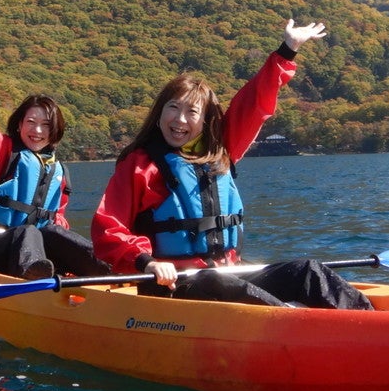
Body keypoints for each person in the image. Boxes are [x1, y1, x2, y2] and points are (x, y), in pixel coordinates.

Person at [91, 20, 373, 310]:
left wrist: (288, 50)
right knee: (217, 281)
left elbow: (253, 104)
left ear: (205, 121)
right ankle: (291, 320)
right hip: (173, 285)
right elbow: (107, 227)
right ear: (159, 112)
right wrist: (147, 262)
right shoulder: (139, 165)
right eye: (173, 107)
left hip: (229, 272)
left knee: (306, 271)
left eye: (192, 112)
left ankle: (368, 317)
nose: (180, 119)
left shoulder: (220, 151)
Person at [0, 56, 109, 280]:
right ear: (19, 124)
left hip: (31, 250)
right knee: (27, 232)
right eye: (31, 122)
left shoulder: (59, 172)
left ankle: (108, 268)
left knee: (53, 232)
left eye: (45, 125)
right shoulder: (0, 151)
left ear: (54, 131)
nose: (37, 131)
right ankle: (34, 279)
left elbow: (58, 217)